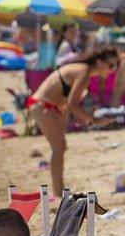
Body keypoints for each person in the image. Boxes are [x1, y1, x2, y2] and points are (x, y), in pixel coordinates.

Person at [27, 48, 119, 193]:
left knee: (60, 148)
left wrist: (80, 116)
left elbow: (69, 102)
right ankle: (58, 191)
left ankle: (59, 190)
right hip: (43, 106)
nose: (113, 70)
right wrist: (94, 120)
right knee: (59, 148)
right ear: (100, 62)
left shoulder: (83, 70)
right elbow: (72, 104)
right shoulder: (84, 72)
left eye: (116, 66)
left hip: (46, 106)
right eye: (111, 65)